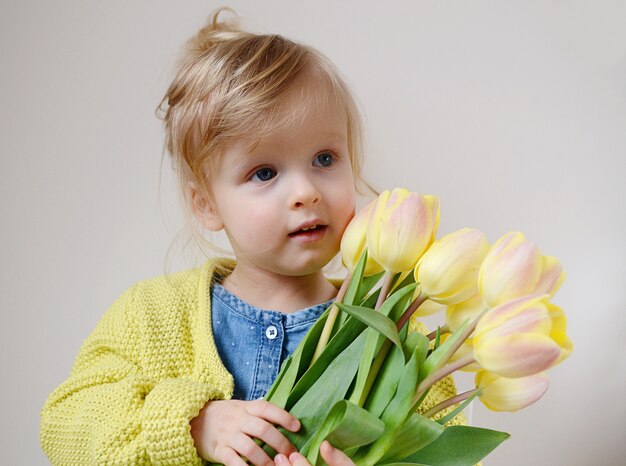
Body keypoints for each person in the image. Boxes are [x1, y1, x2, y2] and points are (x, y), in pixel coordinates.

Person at [40, 7, 465, 466]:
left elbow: (452, 452)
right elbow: (65, 424)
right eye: (264, 172)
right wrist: (193, 423)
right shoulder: (151, 316)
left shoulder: (396, 332)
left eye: (325, 159)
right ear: (205, 203)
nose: (305, 192)